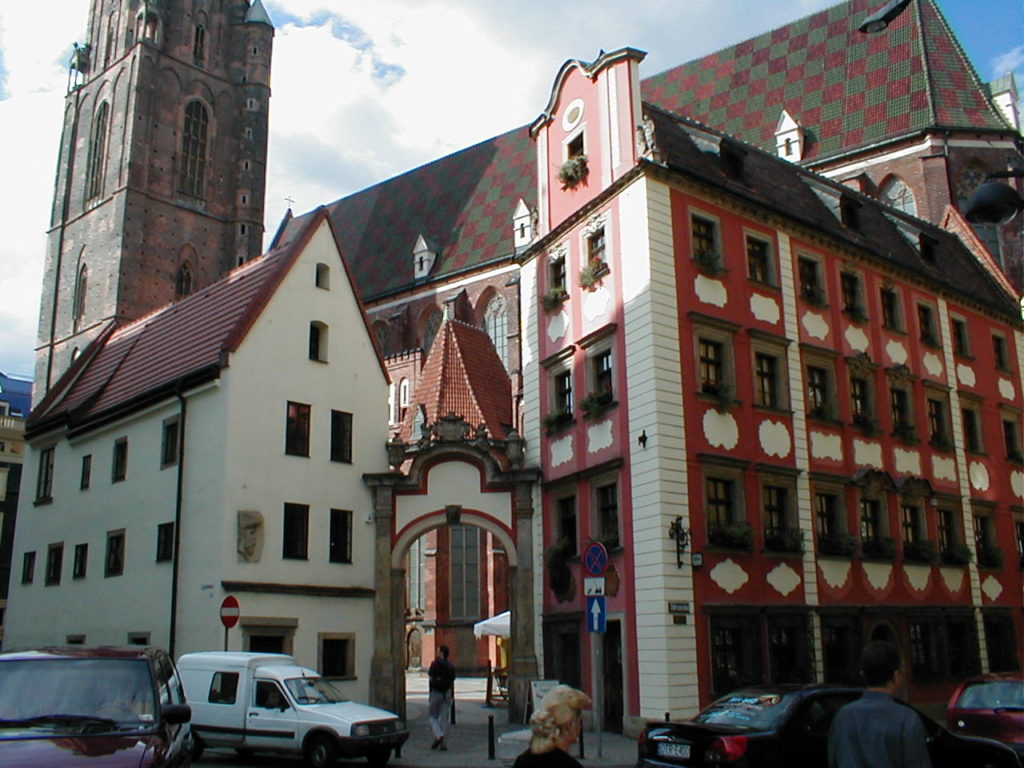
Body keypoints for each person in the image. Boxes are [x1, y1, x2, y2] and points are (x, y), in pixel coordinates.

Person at [828, 640, 933, 768]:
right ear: (896, 675)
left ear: (864, 674)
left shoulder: (843, 716)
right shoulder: (907, 718)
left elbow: (834, 760)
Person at [513, 684, 592, 768]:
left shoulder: (522, 761)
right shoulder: (570, 765)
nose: (580, 727)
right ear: (570, 725)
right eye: (579, 722)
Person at [427, 645, 456, 750]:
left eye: (438, 651)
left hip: (436, 692)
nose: (436, 652)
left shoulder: (435, 664)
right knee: (445, 719)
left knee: (432, 716)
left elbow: (430, 676)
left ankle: (439, 734)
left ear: (441, 653)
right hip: (447, 693)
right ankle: (444, 744)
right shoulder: (450, 665)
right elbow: (453, 678)